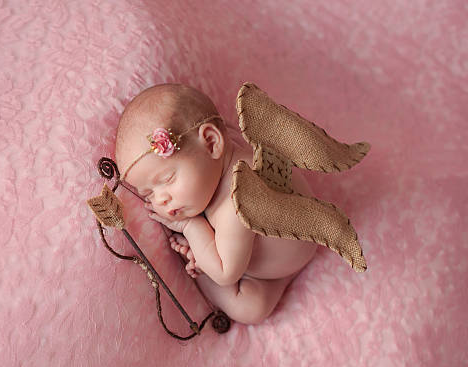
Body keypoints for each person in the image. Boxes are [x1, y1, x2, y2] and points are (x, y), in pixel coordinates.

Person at [115, 83, 317, 324]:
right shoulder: (227, 146)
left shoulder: (239, 200)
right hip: (292, 244)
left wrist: (191, 228)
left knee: (248, 310)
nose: (160, 199)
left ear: (212, 142)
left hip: (265, 272)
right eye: (148, 194)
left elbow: (225, 274)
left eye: (167, 179)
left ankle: (200, 268)